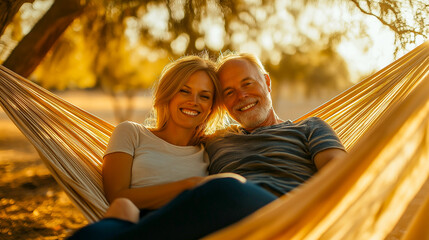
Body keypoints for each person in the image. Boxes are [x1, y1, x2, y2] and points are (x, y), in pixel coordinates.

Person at [68, 55, 278, 240]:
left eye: (204, 96)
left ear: (212, 106)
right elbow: (117, 194)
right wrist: (192, 185)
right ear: (168, 93)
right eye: (184, 91)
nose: (193, 102)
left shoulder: (213, 145)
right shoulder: (131, 133)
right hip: (139, 223)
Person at [206, 52, 348, 196]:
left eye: (247, 84)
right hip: (230, 212)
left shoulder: (310, 128)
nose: (241, 96)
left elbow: (343, 174)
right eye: (229, 92)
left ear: (267, 82)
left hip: (291, 210)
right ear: (223, 104)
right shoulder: (214, 142)